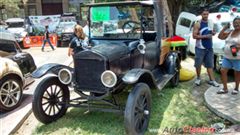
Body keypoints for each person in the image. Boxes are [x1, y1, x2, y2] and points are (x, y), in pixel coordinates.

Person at [192, 8, 219, 87]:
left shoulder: (210, 22)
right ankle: (198, 78)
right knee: (198, 64)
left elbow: (212, 32)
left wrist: (213, 33)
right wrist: (205, 36)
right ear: (201, 14)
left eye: (207, 14)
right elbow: (194, 36)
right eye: (204, 14)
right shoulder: (198, 23)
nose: (206, 16)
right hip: (200, 48)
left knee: (210, 65)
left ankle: (212, 80)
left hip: (209, 47)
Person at [217, 17, 240, 94]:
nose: (236, 24)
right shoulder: (230, 32)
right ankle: (225, 89)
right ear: (233, 24)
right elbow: (220, 37)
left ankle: (236, 89)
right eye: (235, 23)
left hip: (237, 58)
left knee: (237, 73)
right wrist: (224, 28)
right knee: (223, 71)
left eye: (238, 22)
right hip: (227, 57)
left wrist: (238, 47)